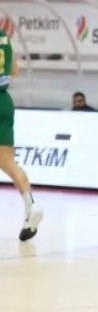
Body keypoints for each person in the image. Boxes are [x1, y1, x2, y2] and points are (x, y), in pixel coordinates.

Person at [0, 29, 44, 241]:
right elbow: (14, 70)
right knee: (9, 163)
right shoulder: (3, 37)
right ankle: (30, 205)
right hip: (4, 101)